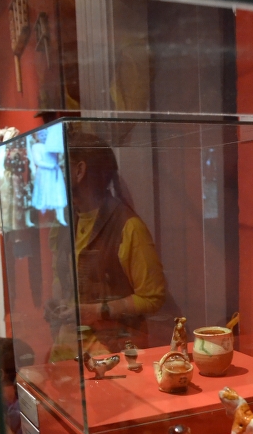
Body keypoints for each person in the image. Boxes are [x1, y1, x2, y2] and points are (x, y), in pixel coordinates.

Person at [48, 131, 166, 354]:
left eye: (59, 167)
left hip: (111, 355)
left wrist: (98, 311)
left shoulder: (129, 227)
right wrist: (57, 304)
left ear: (80, 171)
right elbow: (61, 279)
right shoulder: (64, 223)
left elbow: (153, 297)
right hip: (67, 351)